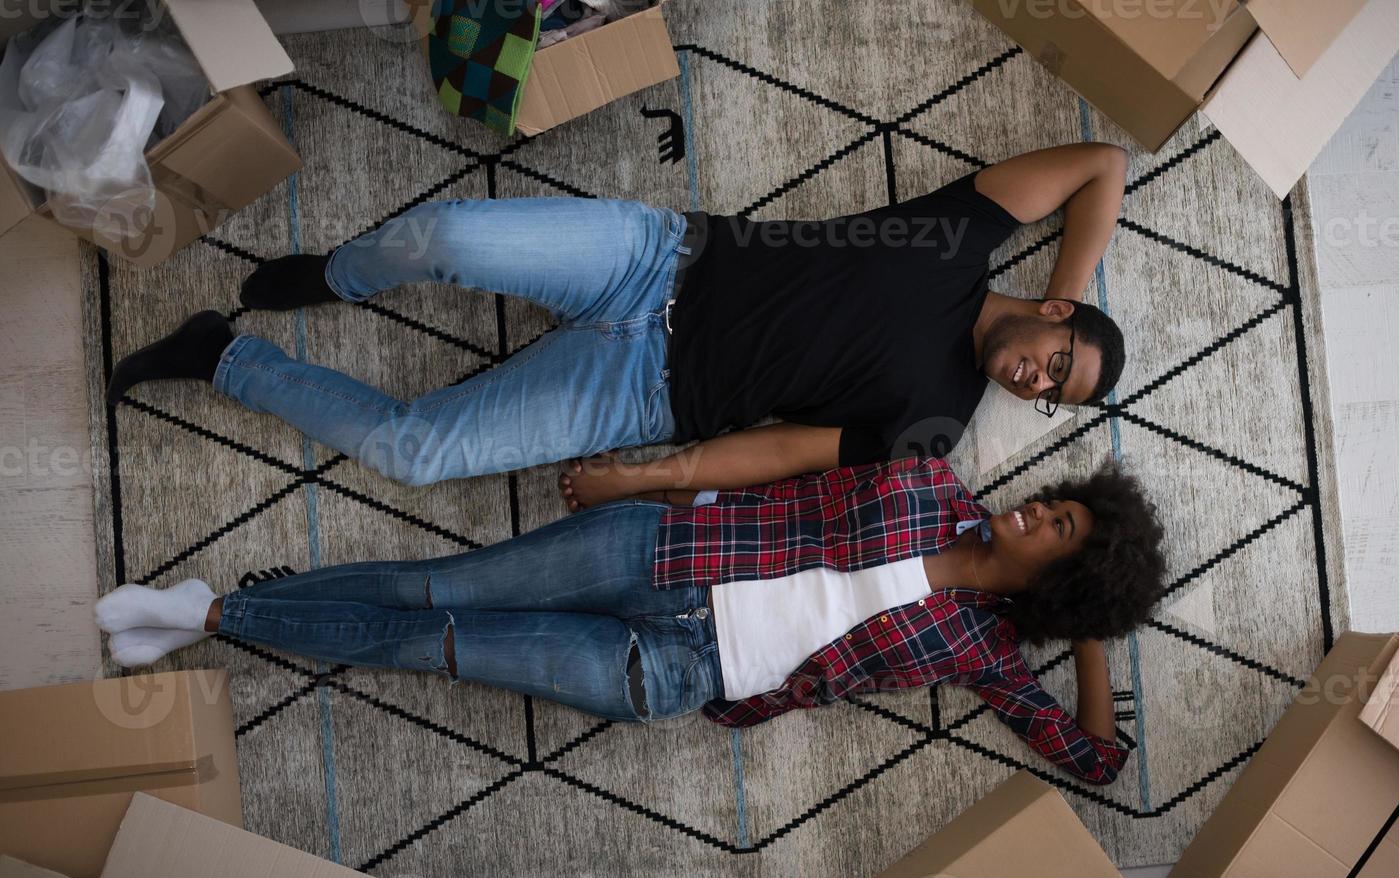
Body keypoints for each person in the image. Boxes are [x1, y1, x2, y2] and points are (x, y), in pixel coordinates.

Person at [103, 142, 1128, 491]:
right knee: (451, 236)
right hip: (656, 260)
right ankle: (341, 277)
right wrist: (1074, 283)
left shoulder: (935, 424)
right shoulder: (961, 236)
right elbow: (1101, 165)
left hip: (640, 395)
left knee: (413, 453)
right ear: (1052, 313)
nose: (1033, 381)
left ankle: (224, 359)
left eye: (1049, 396)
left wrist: (657, 471)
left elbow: (783, 453)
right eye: (1057, 360)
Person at [93, 455, 1165, 786]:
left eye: (1055, 529)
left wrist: (1081, 630)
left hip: (673, 670)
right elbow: (790, 463)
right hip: (659, 549)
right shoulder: (933, 481)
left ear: (1056, 576)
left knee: (437, 649)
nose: (1032, 509)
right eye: (1054, 501)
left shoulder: (982, 650)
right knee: (437, 586)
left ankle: (217, 617)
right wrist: (653, 478)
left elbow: (1094, 759)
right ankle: (218, 608)